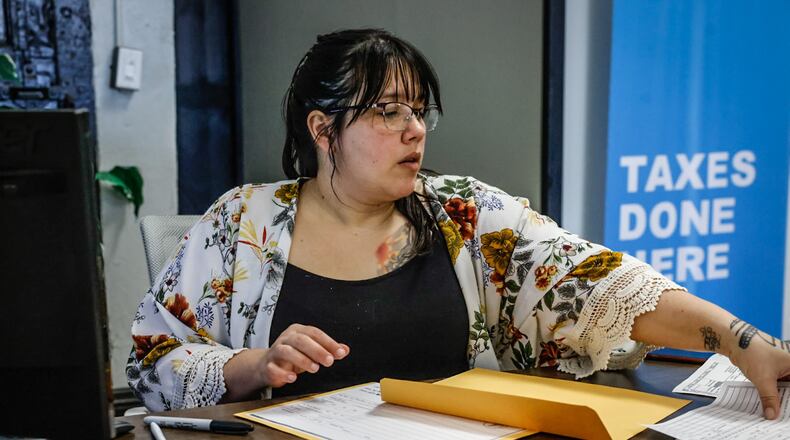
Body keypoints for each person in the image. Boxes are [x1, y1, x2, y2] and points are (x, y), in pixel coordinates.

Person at [127, 28, 790, 418]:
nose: (414, 130)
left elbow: (598, 284)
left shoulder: (466, 216)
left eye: (419, 111)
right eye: (387, 112)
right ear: (322, 129)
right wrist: (251, 364)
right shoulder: (240, 223)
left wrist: (737, 337)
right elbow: (154, 359)